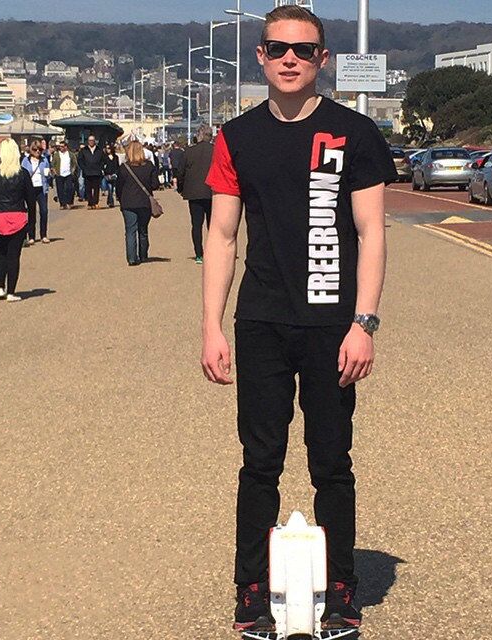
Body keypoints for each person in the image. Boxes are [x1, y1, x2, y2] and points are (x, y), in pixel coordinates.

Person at [202, 5, 397, 634]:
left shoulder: (354, 132)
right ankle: (252, 588)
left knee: (331, 462)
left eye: (304, 49)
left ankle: (341, 587)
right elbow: (222, 236)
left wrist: (364, 323)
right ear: (260, 55)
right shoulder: (236, 136)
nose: (291, 59)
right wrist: (211, 326)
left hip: (332, 326)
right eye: (278, 48)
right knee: (260, 461)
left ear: (322, 58)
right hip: (261, 321)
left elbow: (371, 233)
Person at [0, 139, 34, 301]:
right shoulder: (23, 173)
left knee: (1, 254)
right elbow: (31, 201)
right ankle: (11, 292)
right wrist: (31, 225)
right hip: (18, 217)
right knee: (14, 256)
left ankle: (0, 288)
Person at [115, 141, 159, 266]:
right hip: (144, 202)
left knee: (130, 230)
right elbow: (155, 184)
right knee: (143, 230)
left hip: (128, 202)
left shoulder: (124, 167)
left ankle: (132, 258)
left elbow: (119, 187)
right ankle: (143, 255)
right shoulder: (149, 166)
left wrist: (120, 198)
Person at [177, 124, 214, 264]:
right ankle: (213, 252)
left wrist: (181, 188)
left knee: (196, 225)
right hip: (212, 192)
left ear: (199, 135)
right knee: (213, 225)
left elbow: (180, 172)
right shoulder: (215, 151)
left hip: (194, 193)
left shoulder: (189, 152)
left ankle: (199, 254)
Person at [21, 141, 51, 244]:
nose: (37, 151)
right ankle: (31, 236)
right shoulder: (26, 161)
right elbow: (22, 174)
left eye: (40, 149)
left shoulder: (44, 160)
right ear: (31, 150)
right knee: (31, 212)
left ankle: (44, 235)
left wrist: (49, 174)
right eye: (35, 149)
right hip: (30, 189)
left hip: (41, 188)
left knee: (44, 211)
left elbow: (47, 173)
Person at [78, 135, 104, 209]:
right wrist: (84, 168)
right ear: (88, 141)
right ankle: (90, 203)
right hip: (87, 172)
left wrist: (100, 167)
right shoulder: (84, 150)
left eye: (92, 140)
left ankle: (95, 203)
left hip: (97, 172)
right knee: (88, 188)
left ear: (94, 141)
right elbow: (80, 160)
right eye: (90, 140)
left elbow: (103, 160)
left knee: (96, 188)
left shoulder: (99, 150)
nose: (91, 142)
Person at [52, 140, 78, 209]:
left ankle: (69, 202)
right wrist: (55, 172)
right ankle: (62, 204)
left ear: (66, 147)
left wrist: (72, 170)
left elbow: (74, 163)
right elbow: (53, 164)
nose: (60, 148)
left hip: (68, 174)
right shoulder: (56, 155)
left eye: (62, 146)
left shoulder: (71, 154)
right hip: (59, 174)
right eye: (59, 146)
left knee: (69, 188)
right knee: (60, 190)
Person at [103, 143, 119, 208]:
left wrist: (116, 173)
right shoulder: (104, 157)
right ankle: (111, 202)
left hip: (114, 175)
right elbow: (103, 166)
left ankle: (109, 200)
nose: (108, 150)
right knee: (110, 188)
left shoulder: (116, 157)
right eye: (107, 148)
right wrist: (105, 172)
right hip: (108, 175)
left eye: (109, 148)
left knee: (112, 189)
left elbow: (117, 166)